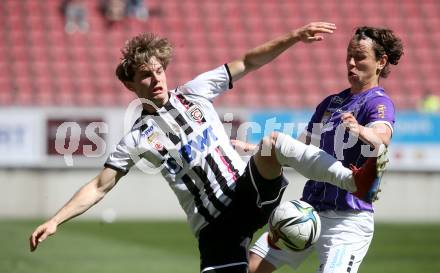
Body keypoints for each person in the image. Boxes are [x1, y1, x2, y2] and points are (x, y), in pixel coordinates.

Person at [29, 22, 383, 273]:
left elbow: (247, 61)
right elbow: (98, 186)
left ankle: (353, 181)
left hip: (247, 192)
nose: (156, 80)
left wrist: (293, 36)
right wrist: (56, 220)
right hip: (215, 229)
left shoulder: (195, 91)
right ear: (130, 85)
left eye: (158, 71)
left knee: (272, 143)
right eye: (145, 76)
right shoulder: (137, 138)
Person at [245, 26, 403, 273]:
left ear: (381, 62)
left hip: (348, 221)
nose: (351, 63)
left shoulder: (379, 102)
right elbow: (301, 147)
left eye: (359, 57)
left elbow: (382, 138)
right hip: (306, 212)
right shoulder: (332, 103)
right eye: (348, 56)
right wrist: (252, 148)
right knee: (249, 268)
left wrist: (361, 130)